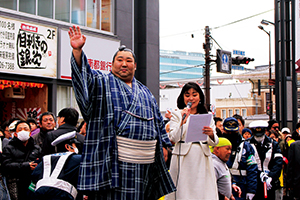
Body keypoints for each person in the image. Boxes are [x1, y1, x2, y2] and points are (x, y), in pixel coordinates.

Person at [68, 25, 175, 199]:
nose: (124, 64)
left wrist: (163, 143)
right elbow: (83, 77)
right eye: (119, 60)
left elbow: (157, 120)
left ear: (135, 66)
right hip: (114, 161)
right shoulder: (101, 81)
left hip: (145, 164)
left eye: (129, 60)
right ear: (112, 64)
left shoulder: (146, 92)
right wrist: (78, 52)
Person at [165, 82, 219, 200]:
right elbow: (174, 137)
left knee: (202, 190)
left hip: (202, 156)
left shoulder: (207, 115)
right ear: (182, 97)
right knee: (183, 190)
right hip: (183, 157)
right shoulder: (177, 114)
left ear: (200, 97)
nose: (191, 98)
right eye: (187, 95)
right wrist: (183, 122)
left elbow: (214, 142)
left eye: (194, 94)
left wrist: (211, 135)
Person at [29, 131, 83, 200]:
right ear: (67, 147)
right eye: (75, 145)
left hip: (40, 192)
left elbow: (32, 183)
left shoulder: (45, 159)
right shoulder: (78, 159)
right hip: (63, 195)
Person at [1, 120, 42, 200]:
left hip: (32, 184)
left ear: (30, 133)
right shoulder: (8, 148)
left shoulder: (36, 148)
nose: (23, 131)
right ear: (15, 134)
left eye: (26, 129)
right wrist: (26, 166)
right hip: (15, 184)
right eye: (20, 129)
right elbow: (5, 165)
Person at [222, 117, 258, 200]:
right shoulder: (218, 145)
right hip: (223, 184)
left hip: (241, 186)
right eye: (228, 132)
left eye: (233, 132)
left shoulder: (246, 147)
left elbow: (252, 169)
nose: (231, 134)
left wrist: (251, 190)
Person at [247, 120, 283, 200]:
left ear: (265, 131)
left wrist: (271, 177)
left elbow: (278, 162)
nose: (259, 138)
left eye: (261, 135)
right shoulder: (247, 144)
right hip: (253, 183)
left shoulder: (273, 144)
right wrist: (259, 174)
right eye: (257, 135)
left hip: (269, 183)